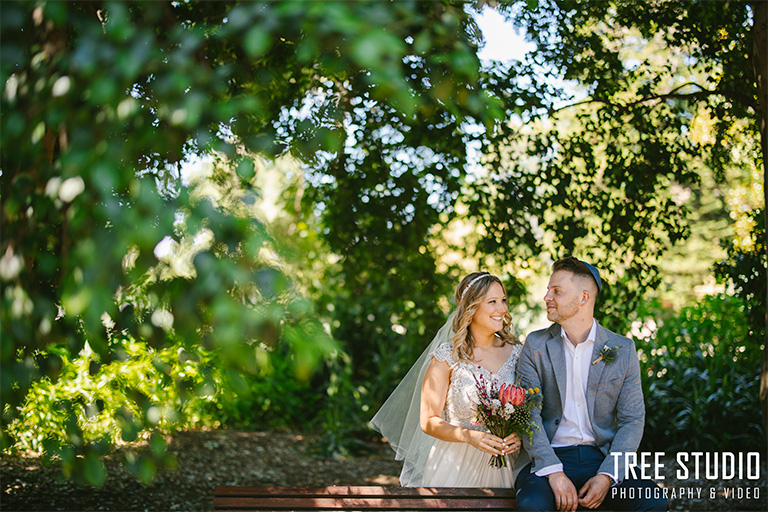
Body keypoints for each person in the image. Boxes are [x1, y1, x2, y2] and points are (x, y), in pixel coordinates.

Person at [514, 257, 668, 511]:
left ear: (584, 298)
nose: (547, 297)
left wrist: (608, 475)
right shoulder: (536, 345)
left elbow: (632, 420)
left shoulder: (623, 349)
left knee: (654, 504)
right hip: (551, 455)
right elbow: (528, 415)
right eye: (548, 290)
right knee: (531, 507)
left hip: (602, 456)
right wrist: (553, 472)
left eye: (557, 291)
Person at [371, 272, 524, 487]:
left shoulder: (518, 353)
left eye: (503, 301)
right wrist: (470, 437)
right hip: (456, 465)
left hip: (507, 464)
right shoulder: (447, 357)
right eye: (492, 302)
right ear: (472, 307)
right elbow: (428, 420)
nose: (502, 309)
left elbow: (533, 409)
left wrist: (517, 434)